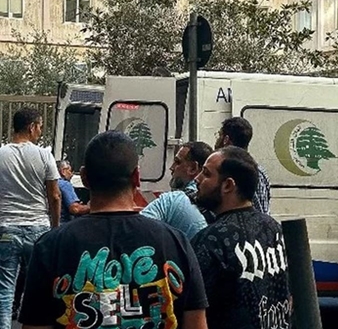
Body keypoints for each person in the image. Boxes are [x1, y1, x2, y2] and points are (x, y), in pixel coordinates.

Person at [18, 131, 208, 329]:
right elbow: (197, 324)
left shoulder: (50, 246)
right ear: (136, 176)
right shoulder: (176, 242)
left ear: (84, 177)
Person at [191, 146, 291, 329]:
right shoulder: (274, 228)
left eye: (206, 173)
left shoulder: (211, 240)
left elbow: (193, 310)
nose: (197, 179)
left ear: (228, 185)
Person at [0, 108, 61, 328]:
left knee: (5, 288)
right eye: (40, 127)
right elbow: (54, 196)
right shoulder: (44, 155)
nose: (40, 132)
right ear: (32, 127)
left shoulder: (1, 154)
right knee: (40, 286)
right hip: (38, 229)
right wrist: (55, 228)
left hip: (7, 228)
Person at [141, 141, 213, 238]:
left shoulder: (171, 201)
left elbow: (138, 228)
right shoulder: (220, 203)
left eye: (177, 162)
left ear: (193, 168)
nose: (172, 167)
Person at [215, 117, 270, 214]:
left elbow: (261, 212)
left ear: (226, 140)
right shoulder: (256, 170)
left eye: (219, 135)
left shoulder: (250, 171)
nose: (217, 140)